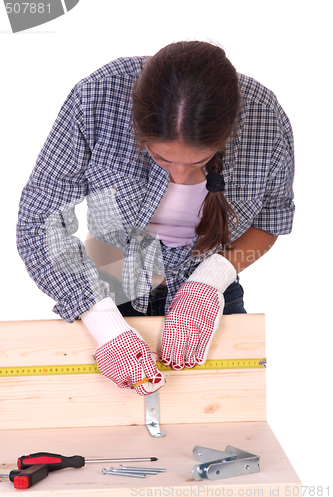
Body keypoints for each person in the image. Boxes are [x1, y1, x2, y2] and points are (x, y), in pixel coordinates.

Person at [16, 41, 295, 396]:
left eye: (197, 163)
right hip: (104, 287)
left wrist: (210, 281)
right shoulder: (98, 97)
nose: (179, 177)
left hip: (211, 289)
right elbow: (40, 220)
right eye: (163, 160)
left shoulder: (265, 118)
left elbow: (270, 220)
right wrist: (103, 323)